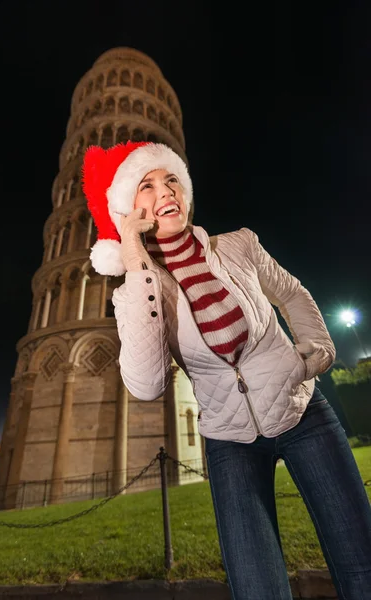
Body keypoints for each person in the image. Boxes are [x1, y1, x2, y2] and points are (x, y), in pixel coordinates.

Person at [82, 140, 371, 600]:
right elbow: (147, 383)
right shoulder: (141, 292)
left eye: (171, 178)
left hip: (303, 414)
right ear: (128, 209)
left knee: (361, 563)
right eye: (147, 184)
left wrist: (315, 351)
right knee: (257, 588)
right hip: (228, 440)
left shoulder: (239, 244)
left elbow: (292, 293)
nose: (165, 190)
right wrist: (134, 254)